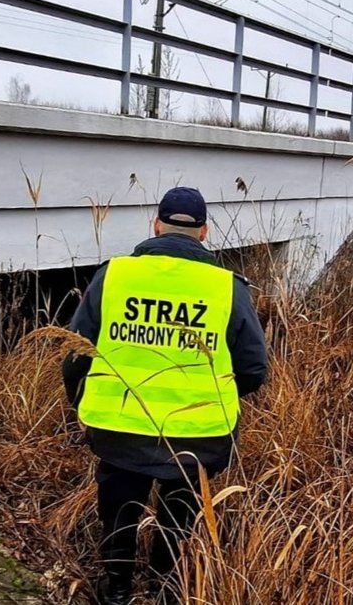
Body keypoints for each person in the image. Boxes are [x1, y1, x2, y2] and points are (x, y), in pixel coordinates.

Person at [63, 186, 268, 605]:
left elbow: (74, 353)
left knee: (119, 510)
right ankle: (164, 589)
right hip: (198, 436)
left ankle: (116, 590)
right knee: (178, 519)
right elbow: (252, 369)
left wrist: (79, 401)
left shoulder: (115, 275)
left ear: (155, 226)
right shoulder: (227, 287)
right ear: (204, 233)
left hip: (118, 426)